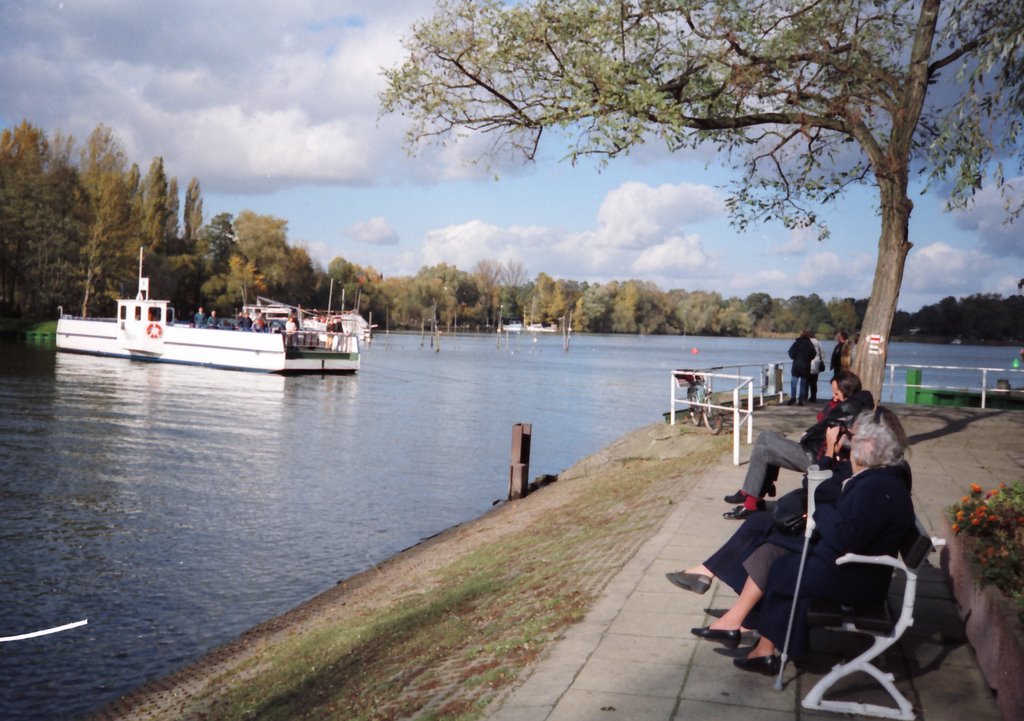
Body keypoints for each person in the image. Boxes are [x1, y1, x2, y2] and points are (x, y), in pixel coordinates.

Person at [690, 407, 915, 675]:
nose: (850, 444)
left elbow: (845, 535)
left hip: (858, 578)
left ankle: (758, 637)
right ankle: (759, 644)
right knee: (778, 552)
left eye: (855, 440)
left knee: (783, 566)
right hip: (858, 567)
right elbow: (844, 519)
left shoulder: (877, 487)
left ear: (870, 446)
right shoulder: (880, 479)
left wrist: (822, 511)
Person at [667, 432, 852, 596]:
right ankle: (723, 595)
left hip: (823, 536)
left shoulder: (859, 474)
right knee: (758, 529)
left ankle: (718, 587)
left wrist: (829, 454)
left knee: (761, 538)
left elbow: (814, 485)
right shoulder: (858, 470)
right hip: (823, 524)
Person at [721, 371, 873, 520]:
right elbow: (821, 427)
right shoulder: (845, 407)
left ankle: (750, 501)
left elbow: (824, 432)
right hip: (813, 450)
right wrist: (810, 432)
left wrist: (808, 435)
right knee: (764, 442)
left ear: (847, 394)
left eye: (836, 394)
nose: (833, 396)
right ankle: (753, 497)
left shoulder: (844, 412)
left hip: (816, 458)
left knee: (764, 446)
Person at [786, 330, 817, 406]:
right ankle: (801, 400)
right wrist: (808, 358)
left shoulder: (796, 343)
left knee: (794, 382)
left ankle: (793, 397)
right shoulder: (810, 344)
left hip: (796, 365)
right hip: (805, 366)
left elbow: (790, 352)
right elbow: (814, 354)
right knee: (803, 384)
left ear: (800, 335)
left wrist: (794, 357)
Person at [807, 331, 825, 403]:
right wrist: (821, 360)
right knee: (814, 383)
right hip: (816, 364)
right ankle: (813, 397)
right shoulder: (818, 342)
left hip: (807, 364)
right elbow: (823, 353)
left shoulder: (807, 342)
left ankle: (805, 397)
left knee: (806, 382)